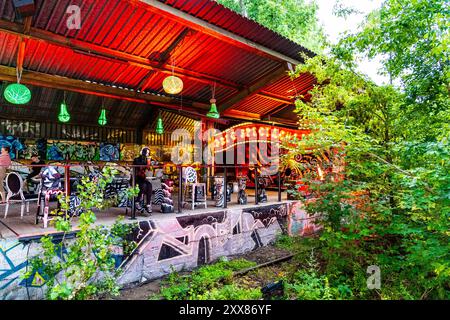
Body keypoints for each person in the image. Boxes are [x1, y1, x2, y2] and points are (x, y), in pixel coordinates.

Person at [133, 147, 153, 215]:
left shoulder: (147, 160)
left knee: (149, 185)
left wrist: (151, 162)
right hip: (135, 179)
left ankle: (148, 204)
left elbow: (150, 167)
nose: (147, 154)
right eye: (146, 152)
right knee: (143, 186)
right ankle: (137, 202)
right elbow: (139, 166)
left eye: (148, 153)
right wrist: (148, 162)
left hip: (143, 178)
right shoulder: (137, 159)